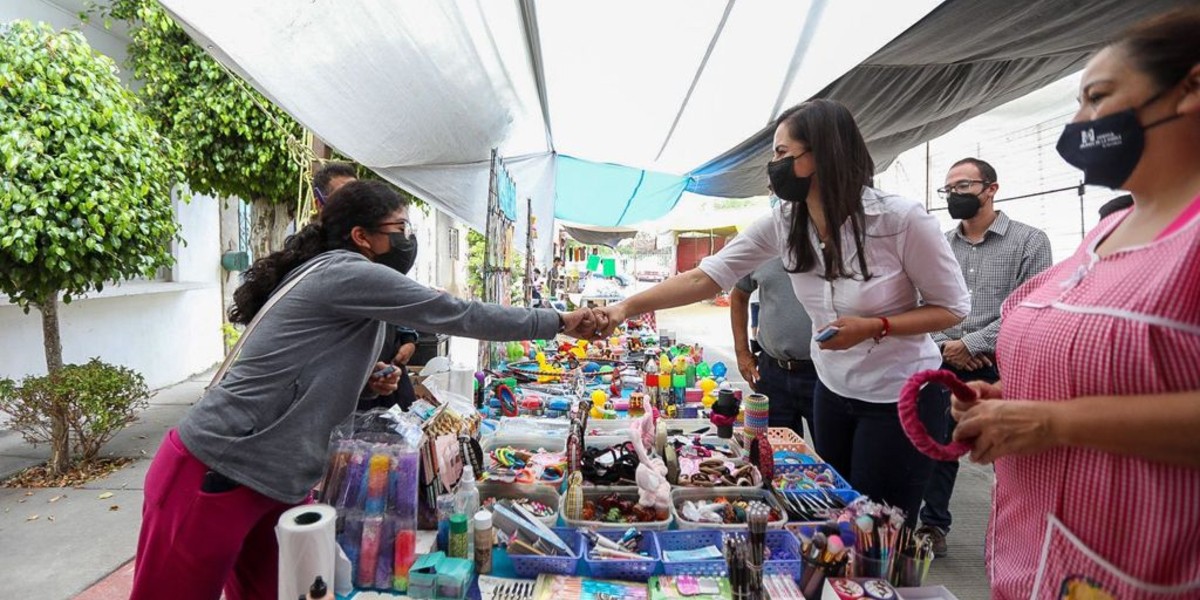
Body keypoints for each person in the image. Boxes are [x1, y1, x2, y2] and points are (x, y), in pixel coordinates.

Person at [131, 180, 595, 599]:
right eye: (399, 228)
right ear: (360, 236)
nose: (406, 240)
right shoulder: (346, 273)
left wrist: (370, 385)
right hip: (216, 469)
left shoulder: (351, 282)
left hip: (277, 482)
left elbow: (315, 369)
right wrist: (557, 322)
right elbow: (457, 312)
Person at [594, 99, 970, 524]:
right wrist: (623, 308)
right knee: (833, 518)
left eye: (781, 153)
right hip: (831, 389)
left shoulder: (899, 220)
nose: (773, 165)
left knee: (880, 530)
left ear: (823, 153)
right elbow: (706, 278)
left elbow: (952, 307)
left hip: (899, 397)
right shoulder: (785, 222)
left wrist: (875, 327)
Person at [949, 9, 1200, 597]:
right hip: (1039, 558)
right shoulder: (1107, 233)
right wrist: (1011, 398)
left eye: (1097, 97)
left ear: (1191, 88)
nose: (1080, 122)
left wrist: (1054, 421)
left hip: (1153, 567)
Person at [913, 157, 1053, 557]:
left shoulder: (1029, 241)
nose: (954, 195)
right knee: (940, 446)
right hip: (943, 359)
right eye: (949, 189)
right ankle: (933, 526)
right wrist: (946, 344)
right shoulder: (938, 243)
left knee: (1009, 449)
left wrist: (973, 344)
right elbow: (922, 301)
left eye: (963, 186)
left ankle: (1024, 534)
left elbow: (1030, 306)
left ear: (991, 188)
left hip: (1001, 364)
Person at [729, 258, 817, 439]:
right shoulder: (764, 243)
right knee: (771, 453)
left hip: (823, 373)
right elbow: (739, 295)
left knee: (832, 458)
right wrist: (742, 352)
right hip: (773, 372)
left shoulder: (831, 243)